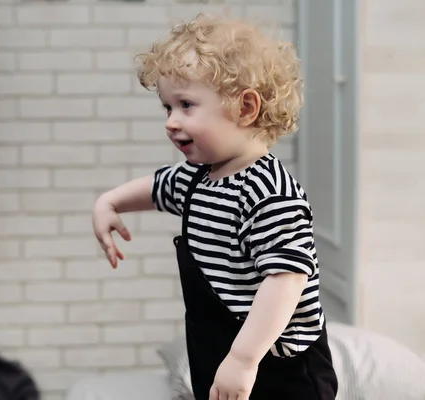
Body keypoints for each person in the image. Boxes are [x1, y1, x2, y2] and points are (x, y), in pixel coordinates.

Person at [92, 12, 338, 400]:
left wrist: (243, 359)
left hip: (278, 366)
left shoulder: (269, 192)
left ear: (246, 108)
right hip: (220, 351)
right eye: (167, 108)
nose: (171, 122)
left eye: (186, 105)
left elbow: (286, 280)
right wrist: (108, 203)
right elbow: (155, 188)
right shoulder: (196, 177)